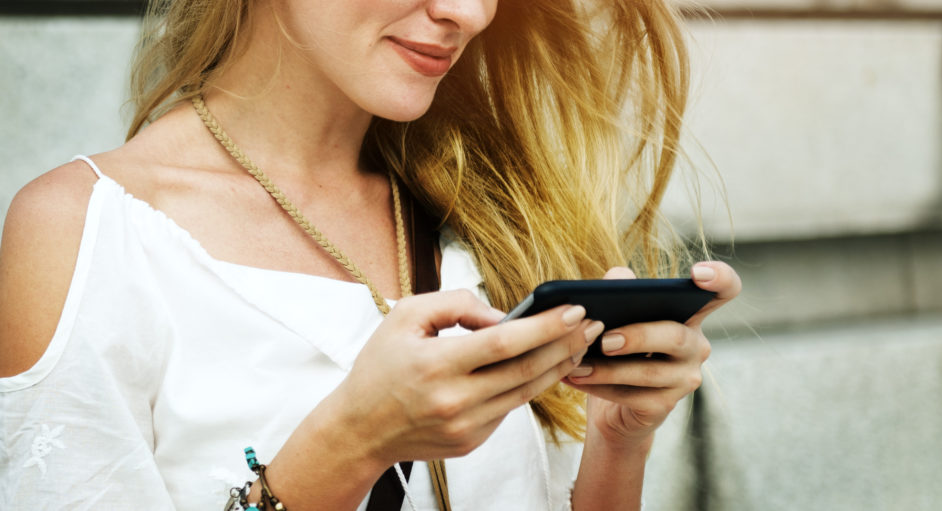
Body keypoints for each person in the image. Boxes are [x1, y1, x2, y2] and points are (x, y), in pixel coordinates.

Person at [0, 0, 741, 509]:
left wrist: (619, 441)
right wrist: (350, 443)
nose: (471, 11)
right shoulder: (88, 234)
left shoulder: (483, 217)